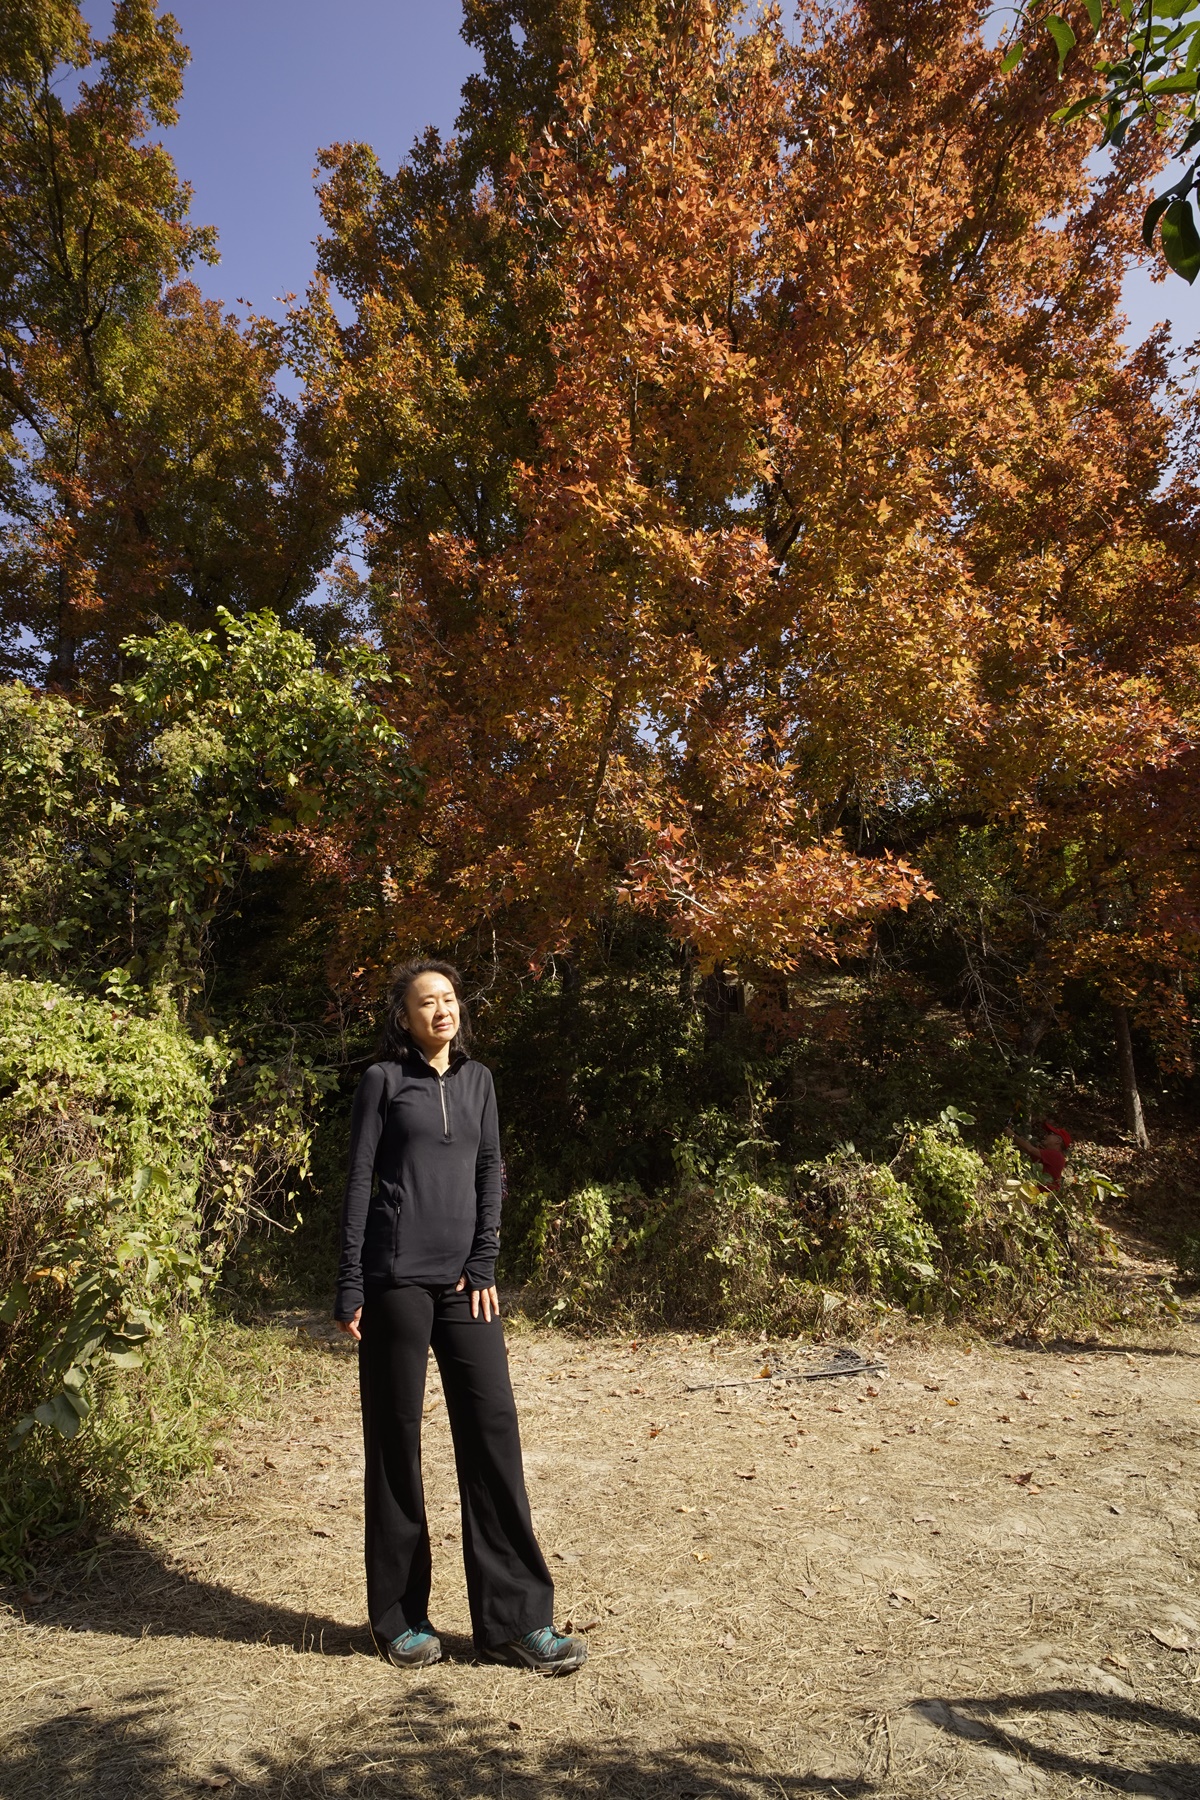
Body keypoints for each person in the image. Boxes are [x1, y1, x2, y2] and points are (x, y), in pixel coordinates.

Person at [335, 959, 586, 1676]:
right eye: (427, 1001)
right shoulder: (384, 1082)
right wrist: (350, 1280)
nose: (441, 1009)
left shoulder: (479, 1082)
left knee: (493, 1432)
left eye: (449, 998)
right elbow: (359, 1179)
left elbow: (489, 1171)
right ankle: (399, 1621)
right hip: (395, 1283)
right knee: (396, 1443)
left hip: (464, 1287)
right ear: (404, 1017)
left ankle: (515, 1624)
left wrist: (485, 1263)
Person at [1008, 1119, 1072, 1191]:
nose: (1046, 1136)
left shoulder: (1056, 1155)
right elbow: (1026, 1149)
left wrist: (1013, 1135)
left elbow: (1030, 1149)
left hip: (1045, 1194)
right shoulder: (1049, 1154)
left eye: (1050, 1133)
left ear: (1058, 1140)